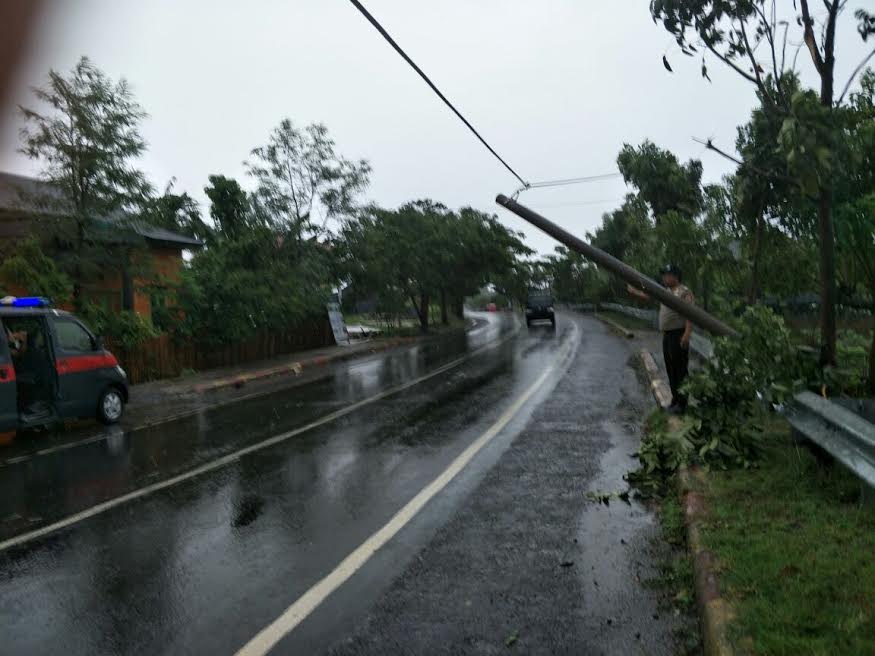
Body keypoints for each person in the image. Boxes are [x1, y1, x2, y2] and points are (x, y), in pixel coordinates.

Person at [626, 264, 694, 414]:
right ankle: (674, 401)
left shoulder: (684, 292)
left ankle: (682, 404)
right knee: (670, 368)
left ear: (675, 276)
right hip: (667, 335)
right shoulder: (665, 292)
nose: (664, 278)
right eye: (663, 275)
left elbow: (691, 313)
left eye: (667, 275)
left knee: (680, 370)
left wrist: (687, 334)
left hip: (679, 334)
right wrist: (634, 292)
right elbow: (648, 296)